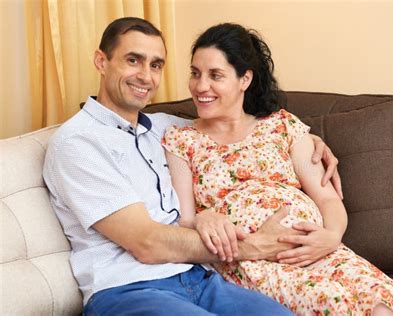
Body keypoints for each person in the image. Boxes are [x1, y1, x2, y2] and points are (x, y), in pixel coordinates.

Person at [43, 17, 339, 315]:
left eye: (156, 65)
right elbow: (147, 243)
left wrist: (307, 140)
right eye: (133, 60)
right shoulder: (79, 144)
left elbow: (234, 131)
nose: (145, 76)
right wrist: (251, 246)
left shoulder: (163, 128)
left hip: (200, 280)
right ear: (101, 61)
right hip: (129, 288)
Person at [162, 23, 393, 315]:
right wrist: (202, 218)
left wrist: (332, 236)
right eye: (195, 73)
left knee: (383, 299)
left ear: (245, 79)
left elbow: (327, 199)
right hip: (251, 260)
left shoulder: (282, 126)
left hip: (313, 246)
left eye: (215, 75)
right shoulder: (182, 139)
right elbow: (184, 218)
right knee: (332, 302)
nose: (200, 86)